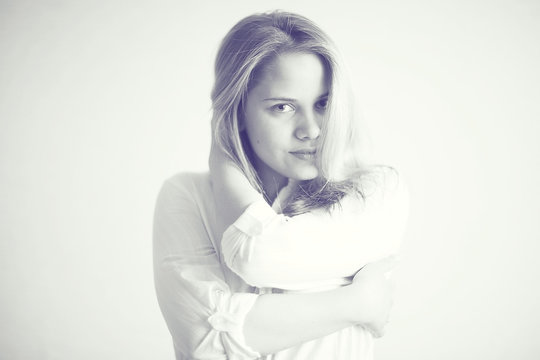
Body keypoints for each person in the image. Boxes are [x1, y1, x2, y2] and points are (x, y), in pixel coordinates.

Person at [153, 10, 408, 360]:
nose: (312, 129)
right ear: (237, 109)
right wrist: (358, 302)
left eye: (323, 104)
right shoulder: (186, 195)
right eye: (283, 106)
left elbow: (256, 253)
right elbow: (207, 344)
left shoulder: (374, 192)